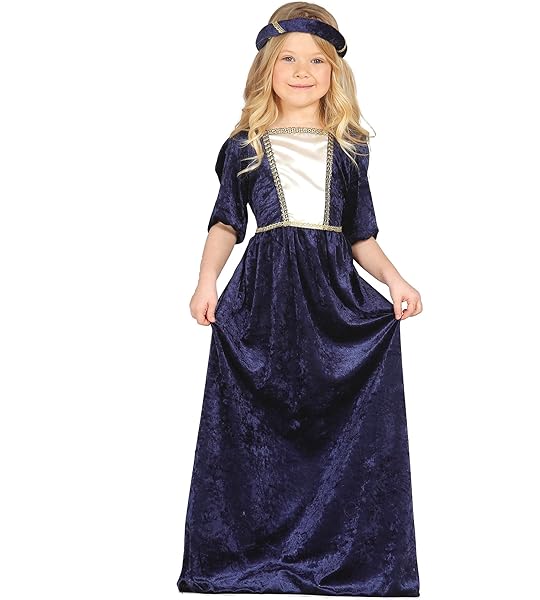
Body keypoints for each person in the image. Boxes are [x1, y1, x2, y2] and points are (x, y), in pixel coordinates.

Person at [177, 2, 422, 596]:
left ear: (335, 72)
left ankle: (343, 557)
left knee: (337, 425)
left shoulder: (351, 149)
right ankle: (252, 553)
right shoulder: (246, 146)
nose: (302, 70)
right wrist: (206, 281)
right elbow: (226, 223)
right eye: (288, 59)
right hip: (264, 302)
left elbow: (360, 236)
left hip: (333, 301)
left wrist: (396, 280)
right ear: (267, 70)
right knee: (257, 427)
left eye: (316, 60)